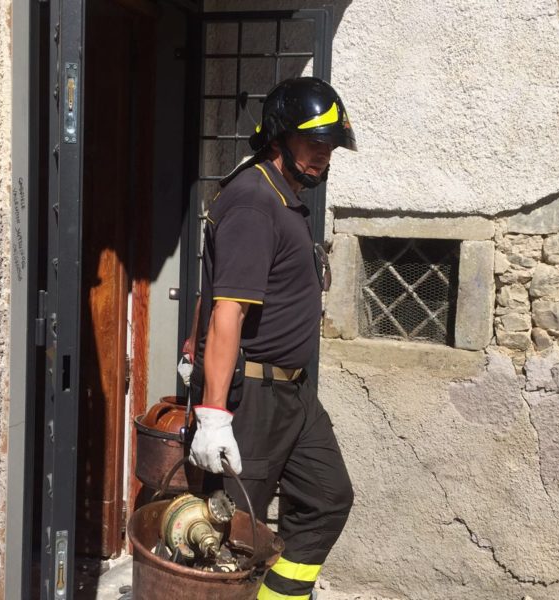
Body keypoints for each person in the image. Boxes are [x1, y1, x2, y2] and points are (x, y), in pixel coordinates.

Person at [186, 77, 356, 600]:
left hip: (294, 395)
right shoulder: (254, 203)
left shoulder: (285, 198)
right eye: (313, 143)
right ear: (279, 137)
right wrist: (213, 415)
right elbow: (228, 310)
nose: (323, 156)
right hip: (253, 397)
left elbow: (213, 289)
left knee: (328, 497)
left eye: (330, 145)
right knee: (237, 534)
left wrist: (193, 348)